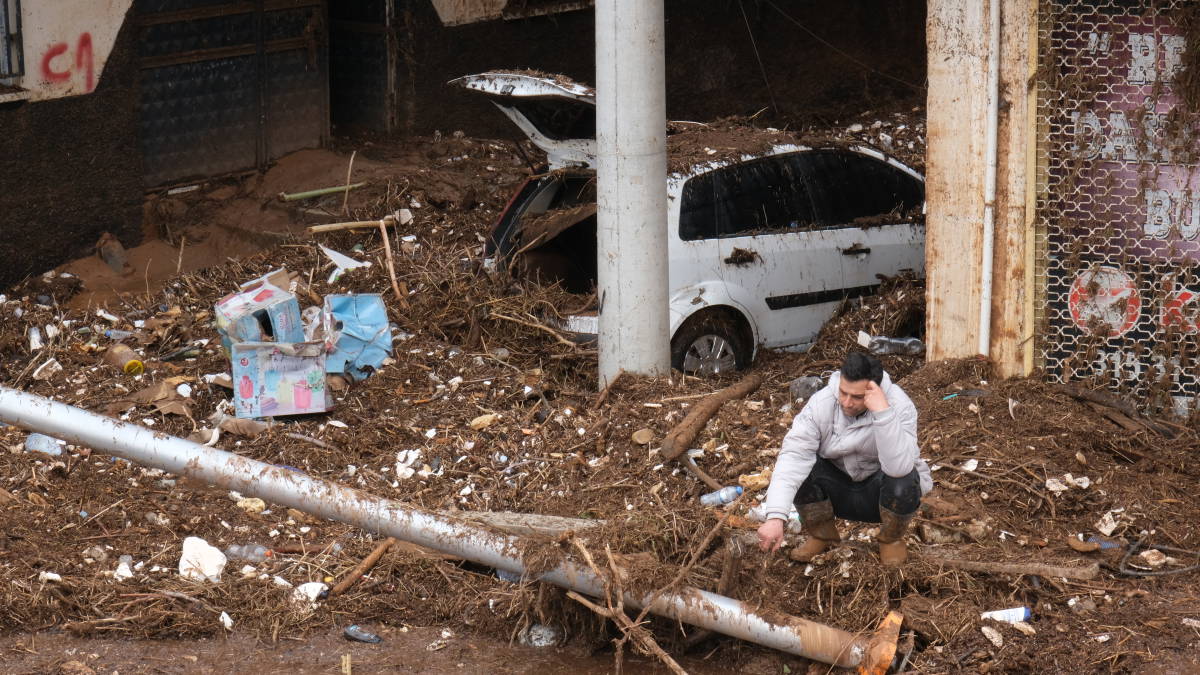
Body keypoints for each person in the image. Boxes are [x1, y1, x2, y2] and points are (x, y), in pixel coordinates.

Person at [757, 352, 932, 566]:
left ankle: (890, 540)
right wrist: (776, 516)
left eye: (857, 397)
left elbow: (899, 468)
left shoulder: (899, 405)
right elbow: (794, 454)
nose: (847, 403)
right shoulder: (822, 402)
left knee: (905, 479)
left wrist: (883, 414)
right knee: (801, 467)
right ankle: (822, 534)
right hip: (836, 489)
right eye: (843, 393)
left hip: (878, 496)